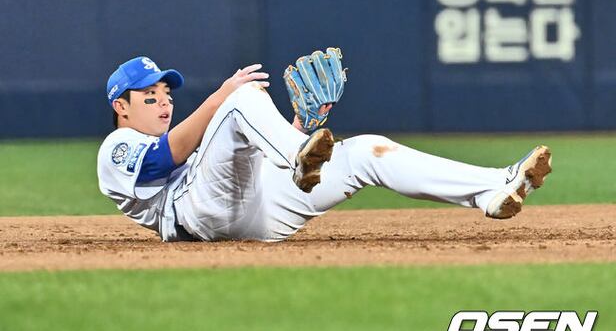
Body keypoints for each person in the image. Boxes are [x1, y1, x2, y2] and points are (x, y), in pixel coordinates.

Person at [97, 55, 552, 242]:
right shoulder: (119, 145)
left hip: (259, 215)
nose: (164, 102)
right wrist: (219, 97)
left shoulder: (194, 143)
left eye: (166, 93)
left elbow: (248, 166)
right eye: (149, 96)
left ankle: (492, 188)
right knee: (241, 98)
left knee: (367, 151)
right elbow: (160, 162)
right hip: (195, 217)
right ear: (121, 106)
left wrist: (303, 124)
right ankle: (299, 153)